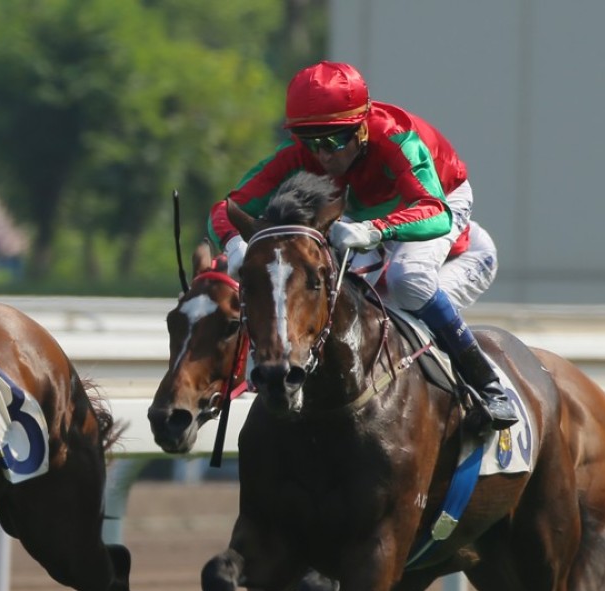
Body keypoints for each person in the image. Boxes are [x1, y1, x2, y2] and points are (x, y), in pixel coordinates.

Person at [208, 61, 517, 431]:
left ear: (363, 127)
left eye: (334, 140)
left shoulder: (396, 138)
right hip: (371, 218)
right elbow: (225, 209)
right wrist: (235, 243)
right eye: (310, 141)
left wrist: (375, 230)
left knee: (406, 279)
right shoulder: (297, 154)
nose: (322, 155)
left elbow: (435, 212)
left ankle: (487, 385)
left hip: (439, 201)